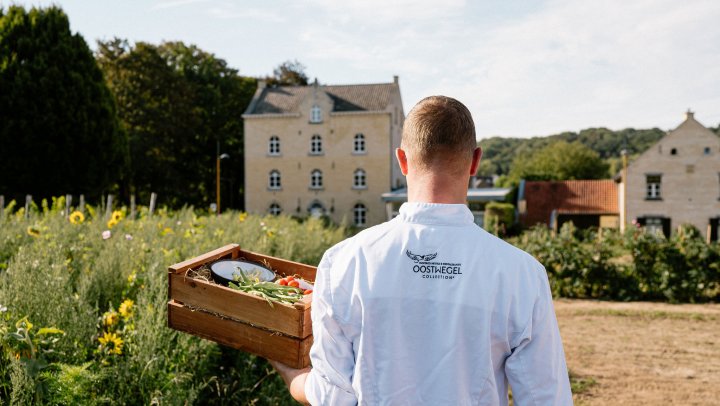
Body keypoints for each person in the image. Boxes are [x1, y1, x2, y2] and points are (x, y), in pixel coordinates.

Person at [270, 96, 573, 405]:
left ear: (402, 160)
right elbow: (546, 399)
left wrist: (291, 374)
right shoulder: (522, 273)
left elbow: (332, 396)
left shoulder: (345, 262)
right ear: (475, 161)